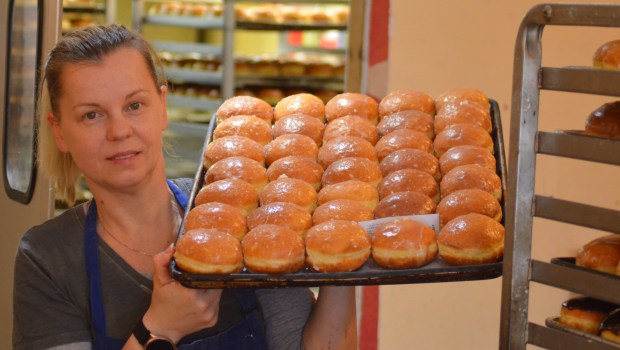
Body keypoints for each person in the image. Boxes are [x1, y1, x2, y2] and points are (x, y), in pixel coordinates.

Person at [13, 24, 357, 350]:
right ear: (59, 130)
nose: (119, 131)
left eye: (134, 105)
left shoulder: (239, 213)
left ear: (161, 106)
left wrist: (341, 250)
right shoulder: (47, 259)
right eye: (92, 115)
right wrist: (159, 329)